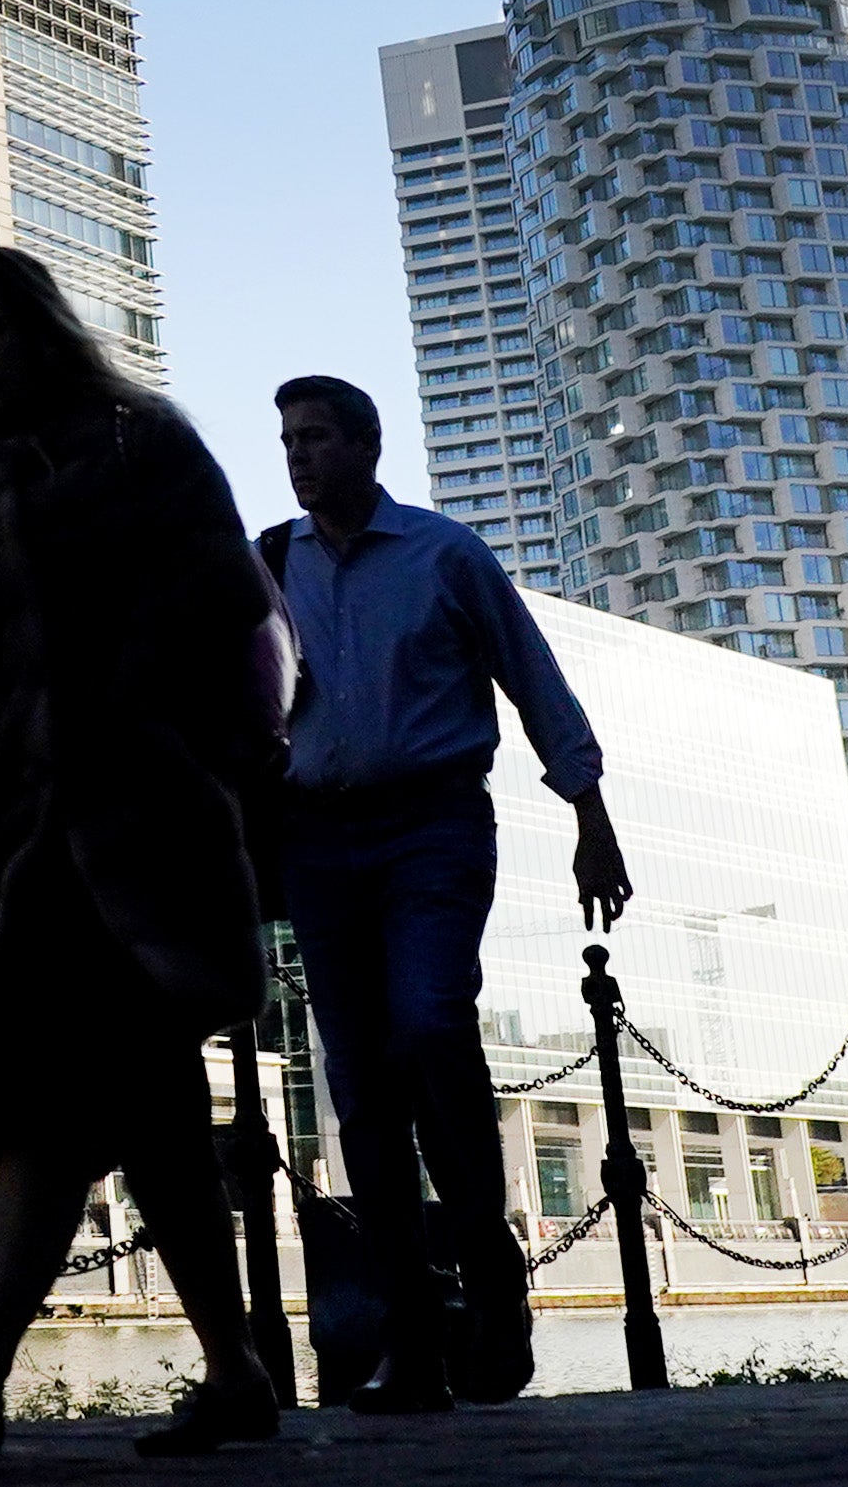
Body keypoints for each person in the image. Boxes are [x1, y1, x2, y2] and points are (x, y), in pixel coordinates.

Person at [0, 246, 282, 1464]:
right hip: (11, 842)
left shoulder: (135, 445)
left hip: (137, 823)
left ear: (40, 329)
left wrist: (177, 746)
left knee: (78, 1089)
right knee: (140, 1102)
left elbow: (228, 605)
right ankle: (233, 1374)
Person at [259, 374, 626, 1412]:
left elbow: (532, 676)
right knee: (359, 1087)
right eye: (287, 440)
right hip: (317, 838)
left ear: (366, 446)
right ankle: (410, 1340)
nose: (298, 455)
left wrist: (589, 814)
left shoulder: (444, 555)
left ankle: (488, 1268)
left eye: (315, 436)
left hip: (432, 823)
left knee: (426, 1021)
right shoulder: (269, 564)